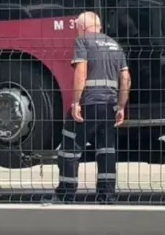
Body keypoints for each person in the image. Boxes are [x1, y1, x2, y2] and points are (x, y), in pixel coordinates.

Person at [48, 11, 131, 204]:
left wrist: (76, 102)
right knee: (106, 150)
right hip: (110, 105)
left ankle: (66, 194)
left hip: (90, 103)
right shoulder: (115, 45)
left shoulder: (83, 41)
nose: (76, 32)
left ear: (83, 27)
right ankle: (106, 195)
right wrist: (121, 106)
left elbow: (81, 72)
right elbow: (125, 78)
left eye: (77, 28)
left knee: (70, 149)